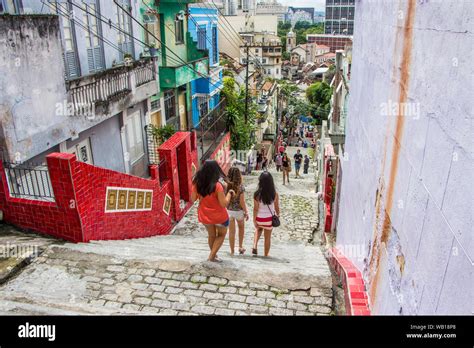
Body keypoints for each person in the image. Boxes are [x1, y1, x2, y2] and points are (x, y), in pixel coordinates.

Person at [191, 160, 235, 262]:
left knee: (211, 235)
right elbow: (224, 203)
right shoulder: (217, 185)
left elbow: (193, 199)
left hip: (205, 216)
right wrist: (229, 193)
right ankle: (211, 257)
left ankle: (213, 256)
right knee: (221, 235)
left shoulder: (197, 184)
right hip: (219, 217)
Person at [252, 172, 280, 257]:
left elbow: (255, 209)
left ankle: (254, 245)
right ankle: (266, 254)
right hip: (269, 220)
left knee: (258, 229)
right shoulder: (275, 194)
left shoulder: (257, 194)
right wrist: (278, 215)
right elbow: (276, 207)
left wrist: (254, 220)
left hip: (260, 218)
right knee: (267, 238)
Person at [226, 167, 249, 255]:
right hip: (239, 211)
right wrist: (246, 212)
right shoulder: (241, 186)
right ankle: (240, 246)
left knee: (231, 232)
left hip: (229, 211)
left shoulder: (226, 185)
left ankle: (232, 251)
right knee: (241, 228)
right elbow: (242, 201)